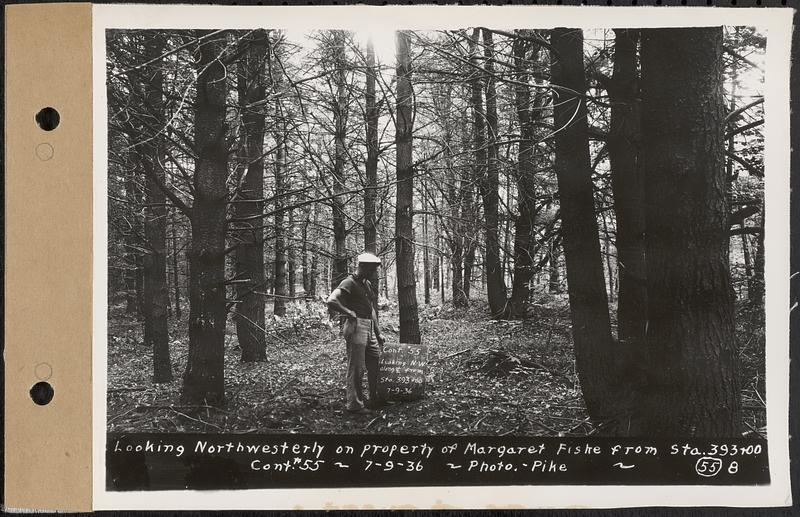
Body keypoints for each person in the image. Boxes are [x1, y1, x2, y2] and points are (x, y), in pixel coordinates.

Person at [326, 252, 386, 414]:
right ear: (363, 267)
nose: (374, 272)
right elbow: (331, 300)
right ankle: (355, 405)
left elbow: (371, 309)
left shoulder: (366, 284)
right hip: (355, 326)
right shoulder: (349, 282)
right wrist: (348, 312)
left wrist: (378, 332)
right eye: (372, 269)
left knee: (375, 363)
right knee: (357, 367)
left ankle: (374, 398)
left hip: (369, 326)